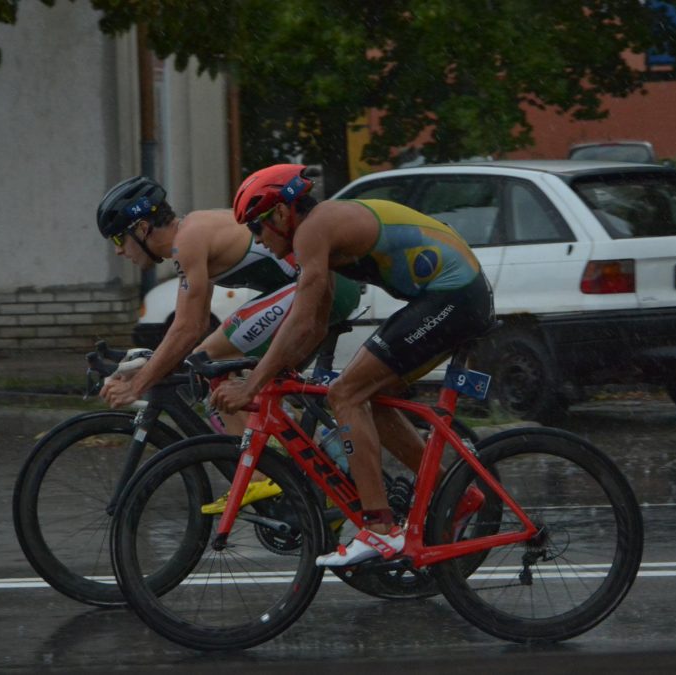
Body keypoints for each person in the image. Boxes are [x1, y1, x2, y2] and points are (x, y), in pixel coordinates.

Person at [210, 163, 496, 567]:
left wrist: (251, 384)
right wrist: (284, 370)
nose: (256, 239)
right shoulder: (319, 234)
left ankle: (380, 530)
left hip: (454, 296)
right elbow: (312, 323)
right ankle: (457, 493)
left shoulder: (312, 231)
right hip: (450, 296)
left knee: (345, 394)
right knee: (368, 396)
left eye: (256, 227)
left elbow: (299, 318)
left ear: (279, 214)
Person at [95, 175, 361, 505]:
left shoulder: (189, 240)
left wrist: (138, 386)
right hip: (325, 288)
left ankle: (265, 478)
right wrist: (148, 365)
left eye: (119, 238)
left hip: (324, 289)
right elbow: (184, 327)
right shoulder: (193, 235)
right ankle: (318, 475)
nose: (119, 250)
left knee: (207, 363)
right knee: (231, 373)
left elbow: (189, 331)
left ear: (143, 228)